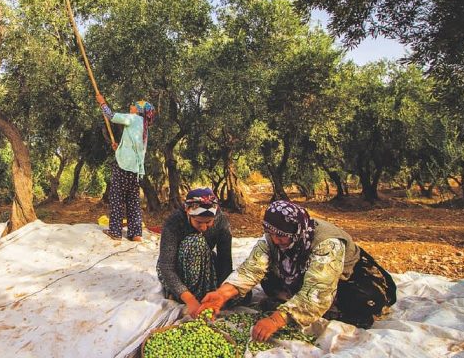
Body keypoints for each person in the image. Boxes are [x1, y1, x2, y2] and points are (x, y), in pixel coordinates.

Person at [198, 200, 396, 341]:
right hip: (304, 274)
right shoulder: (272, 239)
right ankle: (295, 304)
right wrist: (221, 295)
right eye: (271, 234)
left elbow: (319, 290)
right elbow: (250, 270)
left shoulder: (327, 243)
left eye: (282, 236)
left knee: (360, 304)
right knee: (268, 279)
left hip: (351, 277)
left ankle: (301, 307)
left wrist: (277, 319)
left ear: (297, 230)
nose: (276, 240)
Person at [156, 188, 240, 317]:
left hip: (204, 261)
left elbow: (225, 260)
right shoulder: (174, 222)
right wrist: (190, 299)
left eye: (208, 222)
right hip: (177, 268)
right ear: (188, 213)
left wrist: (222, 294)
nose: (204, 227)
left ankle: (204, 294)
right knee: (195, 241)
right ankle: (182, 294)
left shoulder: (221, 221)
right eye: (199, 222)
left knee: (241, 295)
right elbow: (166, 267)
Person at [95, 94, 156, 241]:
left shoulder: (132, 118)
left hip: (123, 166)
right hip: (135, 170)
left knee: (117, 198)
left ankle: (115, 232)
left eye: (135, 105)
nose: (132, 105)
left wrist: (102, 103)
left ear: (139, 111)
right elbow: (135, 146)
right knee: (132, 200)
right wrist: (119, 148)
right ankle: (135, 234)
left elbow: (111, 116)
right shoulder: (144, 127)